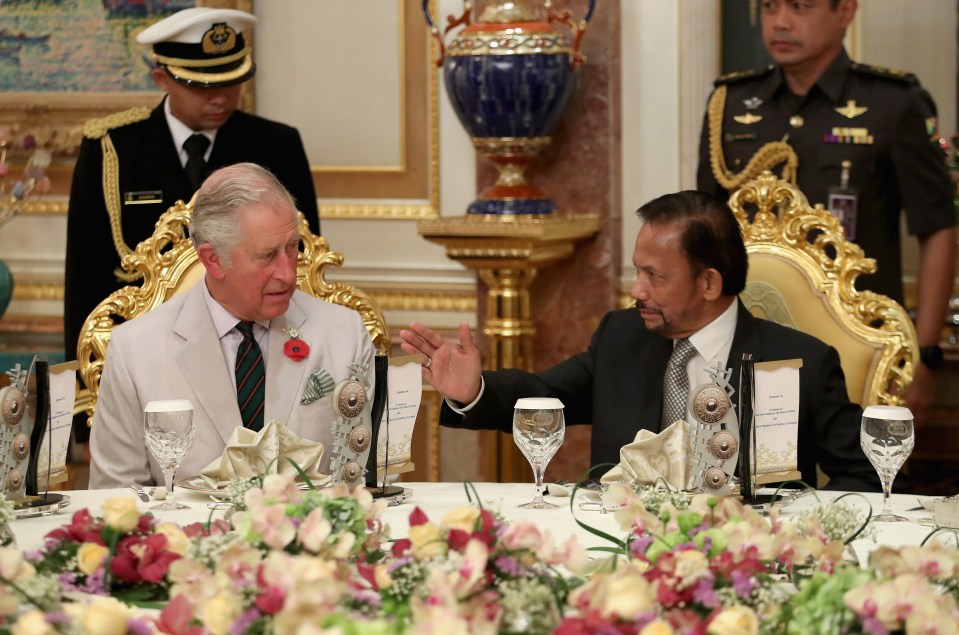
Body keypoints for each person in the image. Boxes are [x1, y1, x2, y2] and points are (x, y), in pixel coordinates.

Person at [401, 190, 879, 492]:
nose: (637, 290)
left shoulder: (797, 363)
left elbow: (861, 474)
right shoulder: (621, 337)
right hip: (622, 552)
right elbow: (544, 398)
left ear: (709, 284)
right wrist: (474, 390)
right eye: (636, 270)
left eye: (654, 275)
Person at [696, 0, 957, 425]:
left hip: (857, 346)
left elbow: (937, 228)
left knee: (853, 483)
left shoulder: (894, 103)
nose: (780, 22)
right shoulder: (731, 102)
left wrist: (924, 354)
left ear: (845, 11)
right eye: (769, 7)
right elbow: (703, 228)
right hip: (747, 336)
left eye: (800, 7)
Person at [64, 7, 321, 416]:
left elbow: (300, 268)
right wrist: (86, 412)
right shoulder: (113, 149)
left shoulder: (276, 146)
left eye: (231, 81)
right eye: (200, 85)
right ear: (161, 78)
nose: (220, 97)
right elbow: (85, 281)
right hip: (144, 371)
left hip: (253, 367)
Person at [89, 163, 373, 489]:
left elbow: (366, 481)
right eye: (267, 256)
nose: (288, 274)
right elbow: (116, 495)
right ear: (213, 260)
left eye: (292, 248)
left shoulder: (344, 334)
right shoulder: (135, 350)